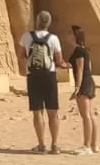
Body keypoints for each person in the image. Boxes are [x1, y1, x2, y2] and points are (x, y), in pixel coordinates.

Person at [20, 11, 68, 153]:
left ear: (37, 21)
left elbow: (21, 56)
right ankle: (54, 145)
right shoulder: (54, 38)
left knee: (37, 112)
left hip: (33, 75)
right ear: (49, 23)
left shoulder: (26, 36)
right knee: (53, 112)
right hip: (49, 75)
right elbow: (59, 60)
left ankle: (41, 145)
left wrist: (28, 66)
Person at [67, 25, 98, 155]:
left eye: (69, 33)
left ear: (75, 36)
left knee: (85, 116)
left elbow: (79, 69)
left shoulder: (79, 50)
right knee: (90, 115)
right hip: (89, 81)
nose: (67, 35)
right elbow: (86, 67)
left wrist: (77, 88)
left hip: (84, 83)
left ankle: (86, 146)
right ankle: (94, 145)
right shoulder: (85, 49)